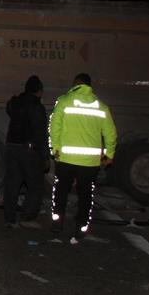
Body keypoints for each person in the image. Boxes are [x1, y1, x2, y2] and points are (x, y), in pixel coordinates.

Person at [49, 73, 117, 244]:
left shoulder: (64, 101)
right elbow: (111, 134)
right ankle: (81, 228)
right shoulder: (102, 107)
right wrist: (109, 154)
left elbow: (54, 127)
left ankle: (58, 222)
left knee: (61, 191)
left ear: (76, 84)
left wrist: (55, 149)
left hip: (66, 158)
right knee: (85, 195)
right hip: (89, 163)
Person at [3, 75, 49, 229]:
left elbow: (9, 108)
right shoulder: (37, 107)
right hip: (29, 150)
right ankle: (27, 217)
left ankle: (9, 218)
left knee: (12, 184)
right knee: (35, 185)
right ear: (39, 91)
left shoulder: (15, 103)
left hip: (12, 146)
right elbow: (40, 133)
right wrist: (45, 156)